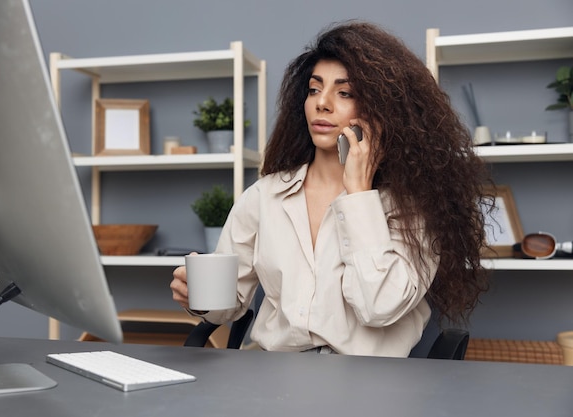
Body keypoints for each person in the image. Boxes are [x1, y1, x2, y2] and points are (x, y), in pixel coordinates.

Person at [171, 20, 492, 357]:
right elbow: (228, 305)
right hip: (275, 380)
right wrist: (198, 298)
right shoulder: (264, 196)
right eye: (314, 89)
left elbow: (379, 307)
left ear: (383, 109)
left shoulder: (414, 205)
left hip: (371, 388)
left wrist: (358, 193)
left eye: (345, 92)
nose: (322, 103)